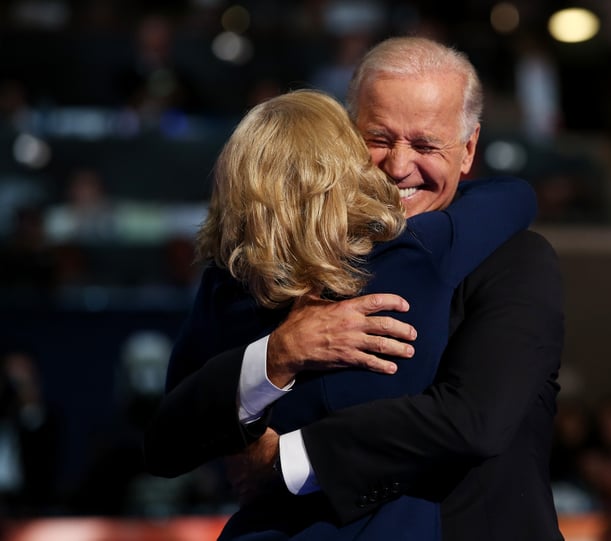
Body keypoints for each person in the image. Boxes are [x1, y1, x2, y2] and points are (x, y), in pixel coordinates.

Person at [145, 36, 564, 541]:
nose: (399, 166)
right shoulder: (251, 273)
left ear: (469, 148)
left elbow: (473, 420)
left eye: (427, 144)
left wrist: (287, 459)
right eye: (379, 138)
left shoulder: (510, 258)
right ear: (344, 137)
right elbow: (166, 441)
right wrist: (276, 354)